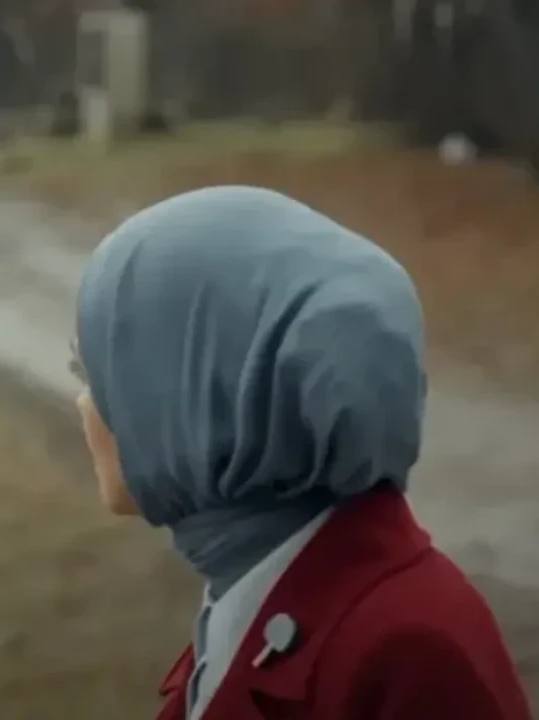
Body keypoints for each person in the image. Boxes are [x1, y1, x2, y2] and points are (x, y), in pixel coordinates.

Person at [71, 186, 531, 720]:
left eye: (98, 375)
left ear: (205, 392)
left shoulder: (409, 650)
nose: (84, 403)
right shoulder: (253, 593)